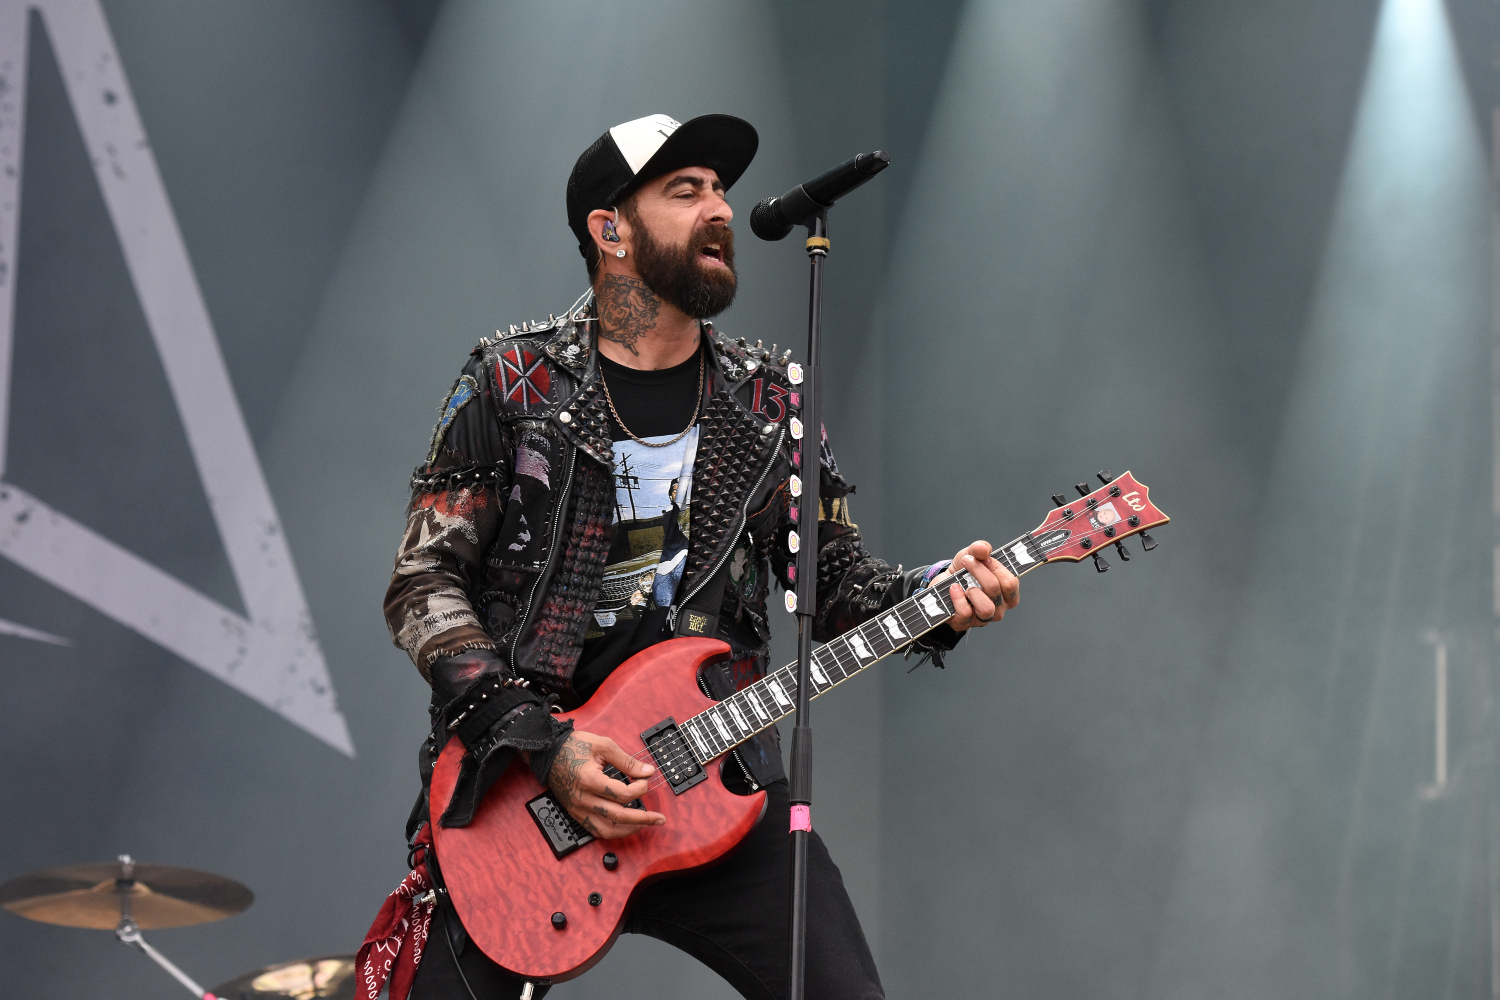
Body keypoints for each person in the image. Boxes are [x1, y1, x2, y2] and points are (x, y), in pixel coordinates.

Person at [379, 113, 1019, 1000]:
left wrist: (936, 593)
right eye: (685, 191)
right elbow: (424, 583)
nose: (719, 209)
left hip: (720, 772)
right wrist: (543, 742)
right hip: (523, 788)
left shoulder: (770, 397)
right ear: (610, 230)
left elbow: (831, 581)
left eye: (720, 190)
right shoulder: (513, 379)